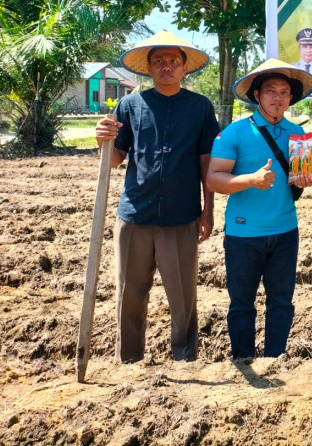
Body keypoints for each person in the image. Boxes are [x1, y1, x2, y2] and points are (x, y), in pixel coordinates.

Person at [94, 31, 219, 363]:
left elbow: (206, 161)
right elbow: (117, 156)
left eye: (173, 61)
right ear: (148, 68)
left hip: (181, 216)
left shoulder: (200, 108)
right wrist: (102, 139)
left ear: (184, 68)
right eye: (159, 61)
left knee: (183, 297)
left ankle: (186, 358)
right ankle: (129, 360)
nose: (167, 66)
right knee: (129, 294)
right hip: (135, 214)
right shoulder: (130, 105)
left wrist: (208, 210)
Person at [207, 59, 312, 359]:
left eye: (284, 92)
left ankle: (275, 359)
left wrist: (304, 177)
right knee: (242, 302)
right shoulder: (235, 132)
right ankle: (243, 357)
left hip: (285, 231)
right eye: (270, 91)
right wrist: (251, 180)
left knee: (281, 301)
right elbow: (214, 178)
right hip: (244, 232)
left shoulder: (298, 132)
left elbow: (300, 178)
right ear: (257, 95)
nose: (278, 97)